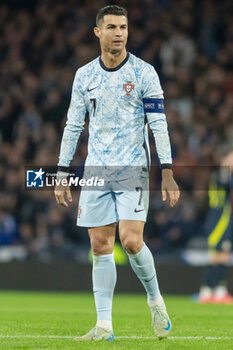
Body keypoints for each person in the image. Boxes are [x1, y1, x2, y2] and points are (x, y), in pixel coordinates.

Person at [54, 5, 180, 341]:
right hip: (96, 169)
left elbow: (158, 124)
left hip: (132, 168)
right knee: (99, 245)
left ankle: (155, 301)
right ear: (98, 32)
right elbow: (73, 125)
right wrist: (62, 171)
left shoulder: (143, 73)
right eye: (111, 27)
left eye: (123, 26)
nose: (119, 33)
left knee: (131, 240)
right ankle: (104, 326)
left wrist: (166, 170)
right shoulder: (85, 76)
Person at [199, 149, 233, 304]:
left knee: (218, 256)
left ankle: (210, 290)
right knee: (220, 256)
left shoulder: (219, 175)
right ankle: (215, 290)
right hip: (220, 220)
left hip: (219, 218)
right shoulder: (223, 175)